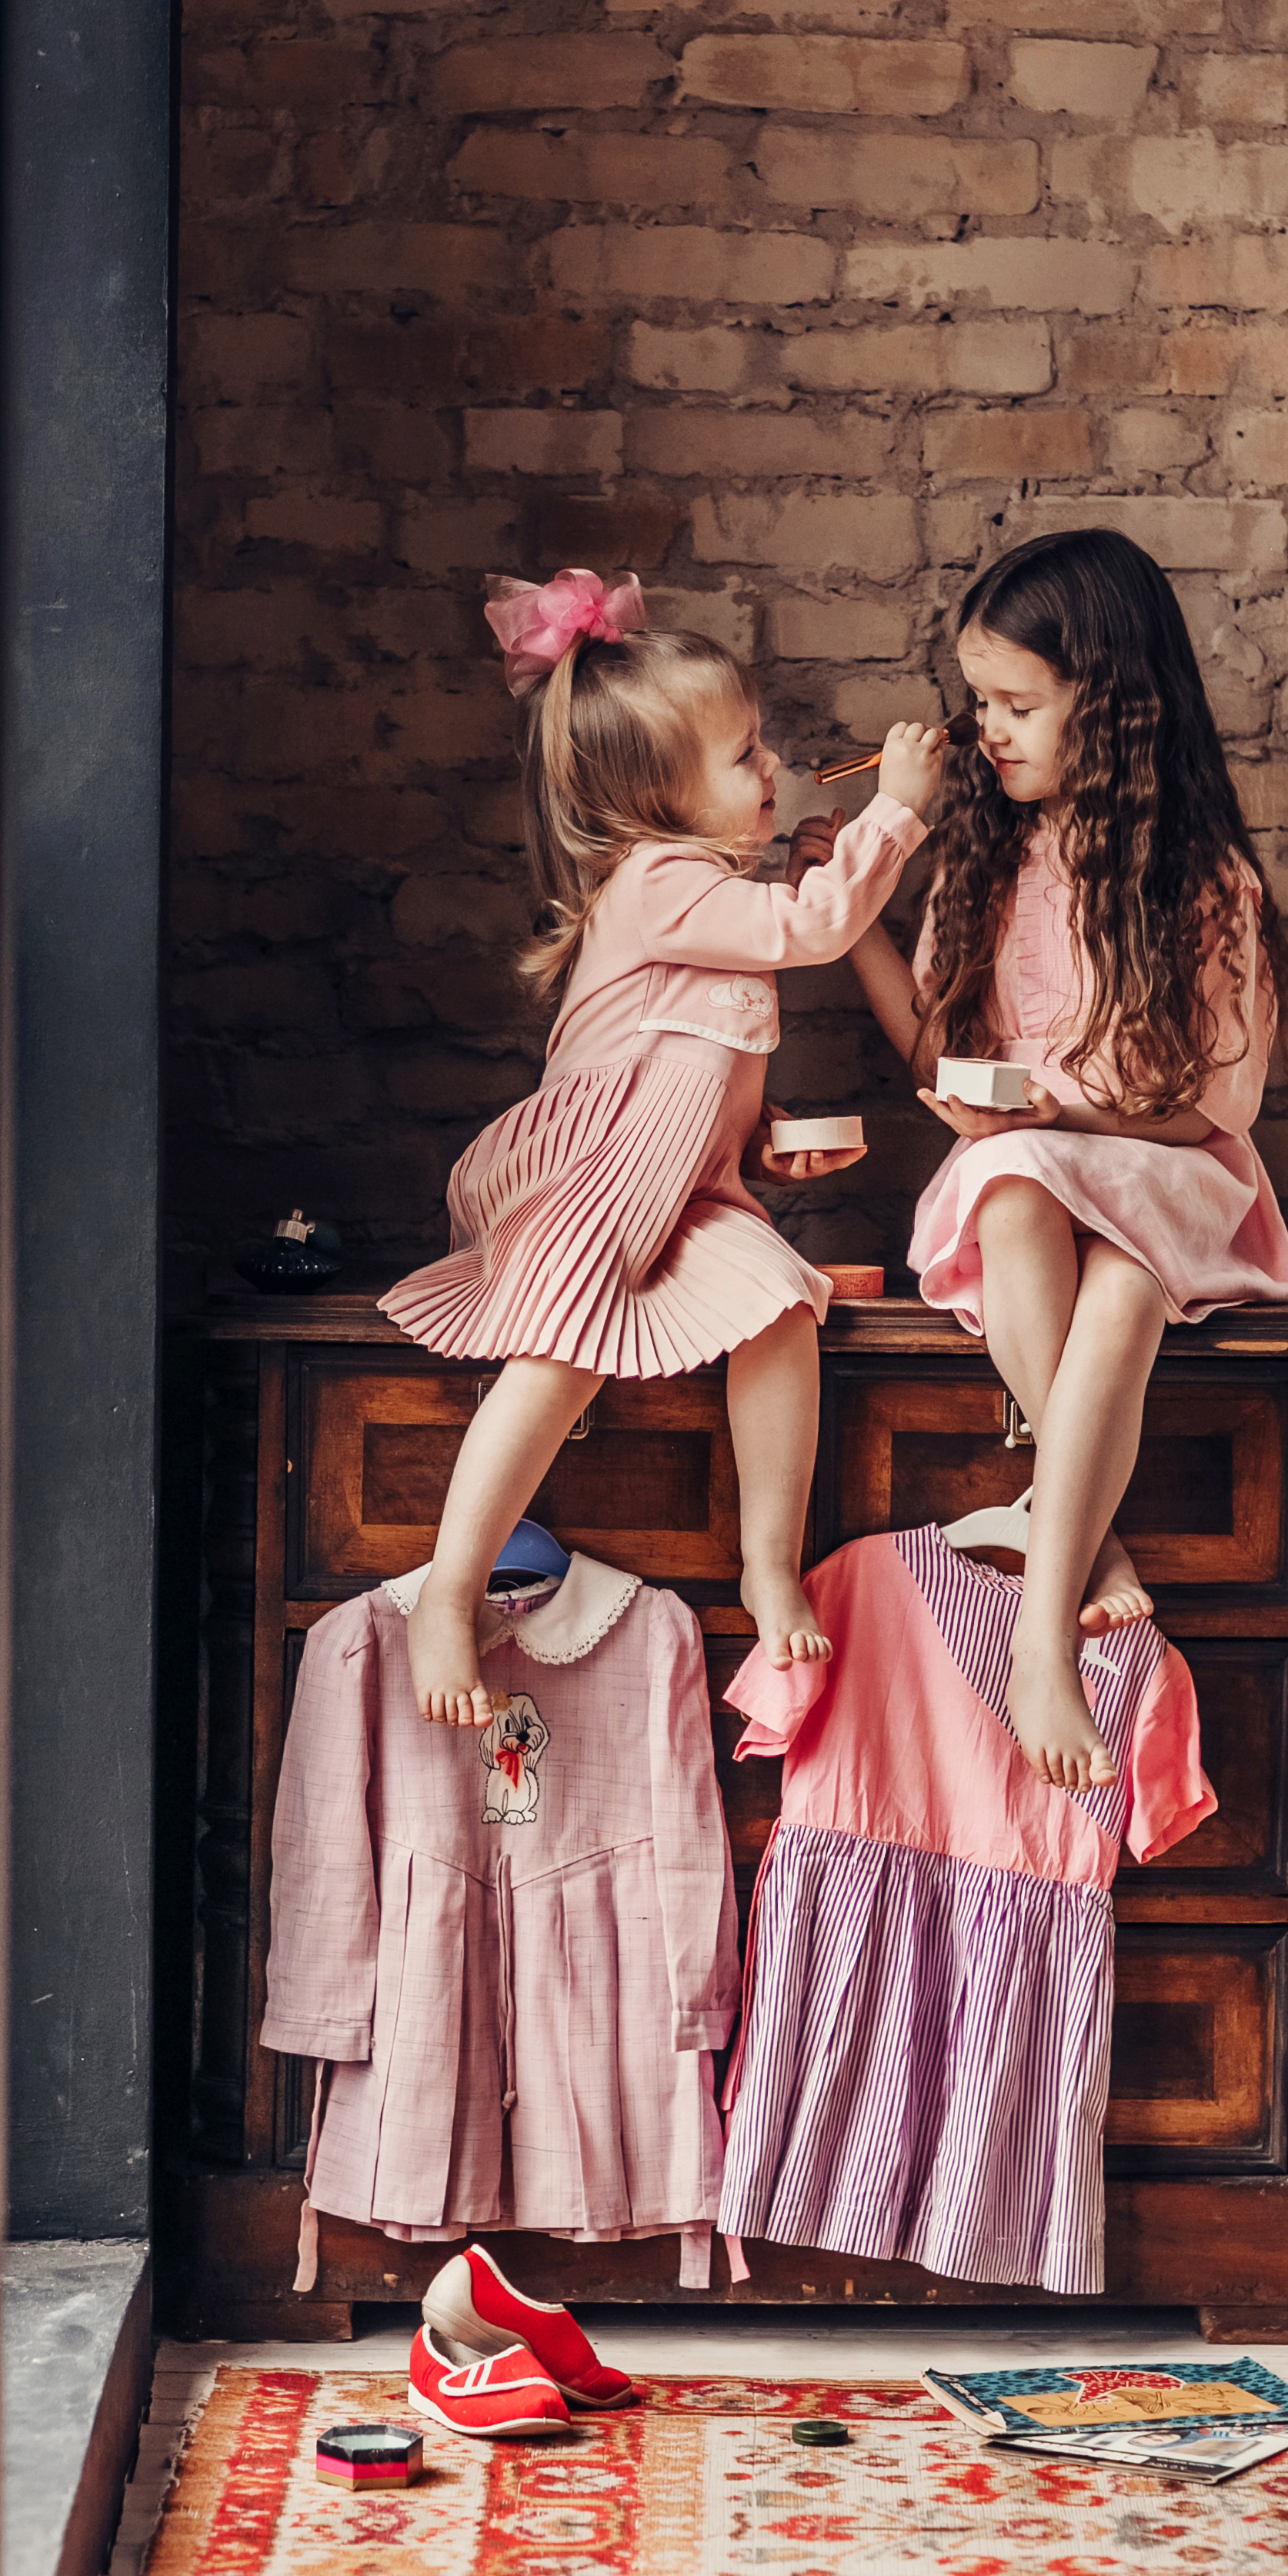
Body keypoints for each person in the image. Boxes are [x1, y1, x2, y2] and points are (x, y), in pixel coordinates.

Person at [789, 528, 1288, 1793]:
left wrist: (1062, 1113)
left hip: (1168, 1177)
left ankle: (1040, 1638)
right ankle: (1094, 1539)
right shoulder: (981, 867)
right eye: (980, 703)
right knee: (1012, 1193)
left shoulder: (1201, 883)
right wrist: (851, 919)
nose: (990, 730)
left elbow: (1216, 1103)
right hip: (1028, 1173)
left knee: (1119, 1273)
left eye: (1019, 703)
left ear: (1113, 706)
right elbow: (934, 1053)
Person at [381, 566, 943, 1723]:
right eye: (743, 757)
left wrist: (771, 1141)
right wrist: (892, 815)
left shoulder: (709, 887)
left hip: (682, 1189)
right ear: (657, 797)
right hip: (592, 1183)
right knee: (558, 1350)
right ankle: (450, 1589)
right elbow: (812, 930)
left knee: (783, 1309)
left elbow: (698, 1064)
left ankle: (768, 1557)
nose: (772, 770)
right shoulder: (655, 882)